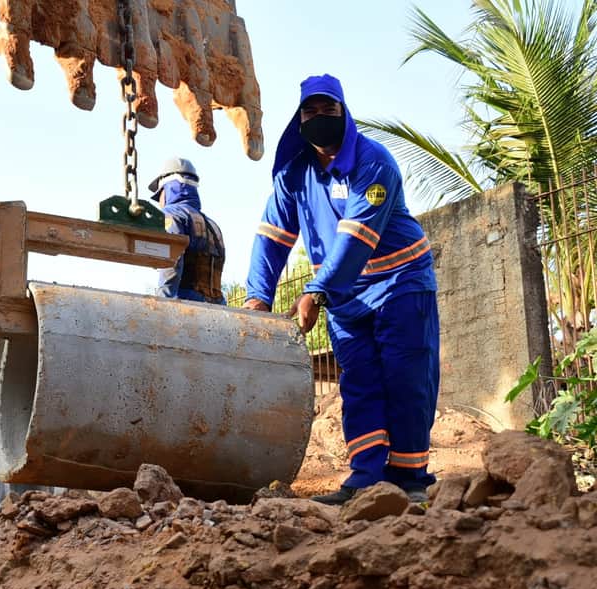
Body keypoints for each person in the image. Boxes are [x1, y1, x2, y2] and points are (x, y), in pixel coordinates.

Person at [242, 74, 439, 505]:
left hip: (400, 285)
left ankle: (411, 480)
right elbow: (271, 238)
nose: (318, 119)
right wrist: (258, 297)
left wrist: (315, 292)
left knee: (406, 380)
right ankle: (366, 479)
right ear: (299, 119)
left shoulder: (374, 163)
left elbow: (355, 238)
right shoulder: (296, 175)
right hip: (347, 299)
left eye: (327, 110)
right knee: (360, 383)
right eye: (309, 112)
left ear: (344, 113)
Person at [149, 157, 227, 305]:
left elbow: (172, 260)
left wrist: (162, 302)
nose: (159, 202)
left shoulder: (172, 215)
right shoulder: (212, 224)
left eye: (159, 195)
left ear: (167, 189)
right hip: (218, 307)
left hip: (186, 307)